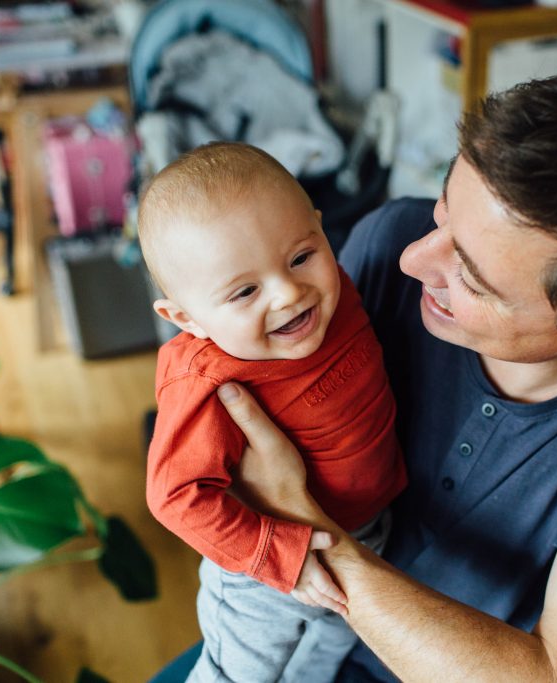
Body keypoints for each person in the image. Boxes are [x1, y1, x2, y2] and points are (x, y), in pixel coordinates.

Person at [212, 68, 557, 681]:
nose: (413, 259)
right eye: (444, 209)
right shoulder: (391, 238)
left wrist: (302, 524)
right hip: (289, 635)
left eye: (471, 278)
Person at [139, 142, 407, 682]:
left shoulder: (335, 294)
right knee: (238, 673)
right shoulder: (210, 380)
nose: (290, 293)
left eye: (301, 256)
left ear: (319, 226)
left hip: (364, 535)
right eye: (244, 291)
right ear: (185, 317)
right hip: (265, 567)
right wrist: (278, 555)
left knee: (327, 655)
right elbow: (173, 497)